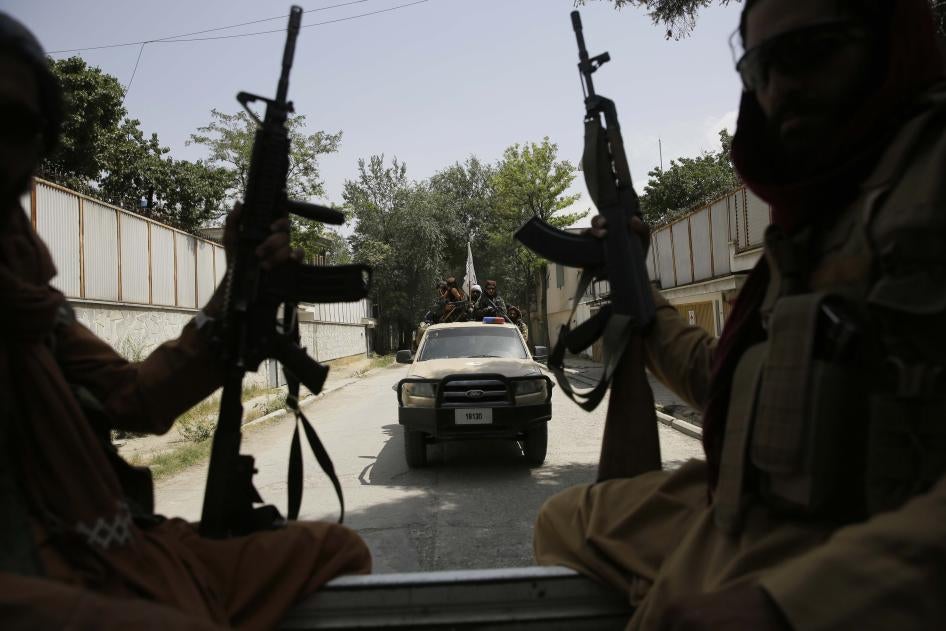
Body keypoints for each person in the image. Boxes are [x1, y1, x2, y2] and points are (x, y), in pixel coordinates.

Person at [533, 1, 946, 629]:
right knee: (565, 519)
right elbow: (729, 386)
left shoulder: (923, 183)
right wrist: (636, 290)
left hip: (865, 539)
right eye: (761, 68)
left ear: (890, 43)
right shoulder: (813, 219)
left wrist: (790, 606)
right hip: (752, 508)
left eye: (814, 51)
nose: (782, 88)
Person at [0, 14, 370, 629]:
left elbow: (136, 399)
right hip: (41, 572)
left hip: (117, 551)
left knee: (333, 549)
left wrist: (238, 281)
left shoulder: (32, 299)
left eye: (11, 126)